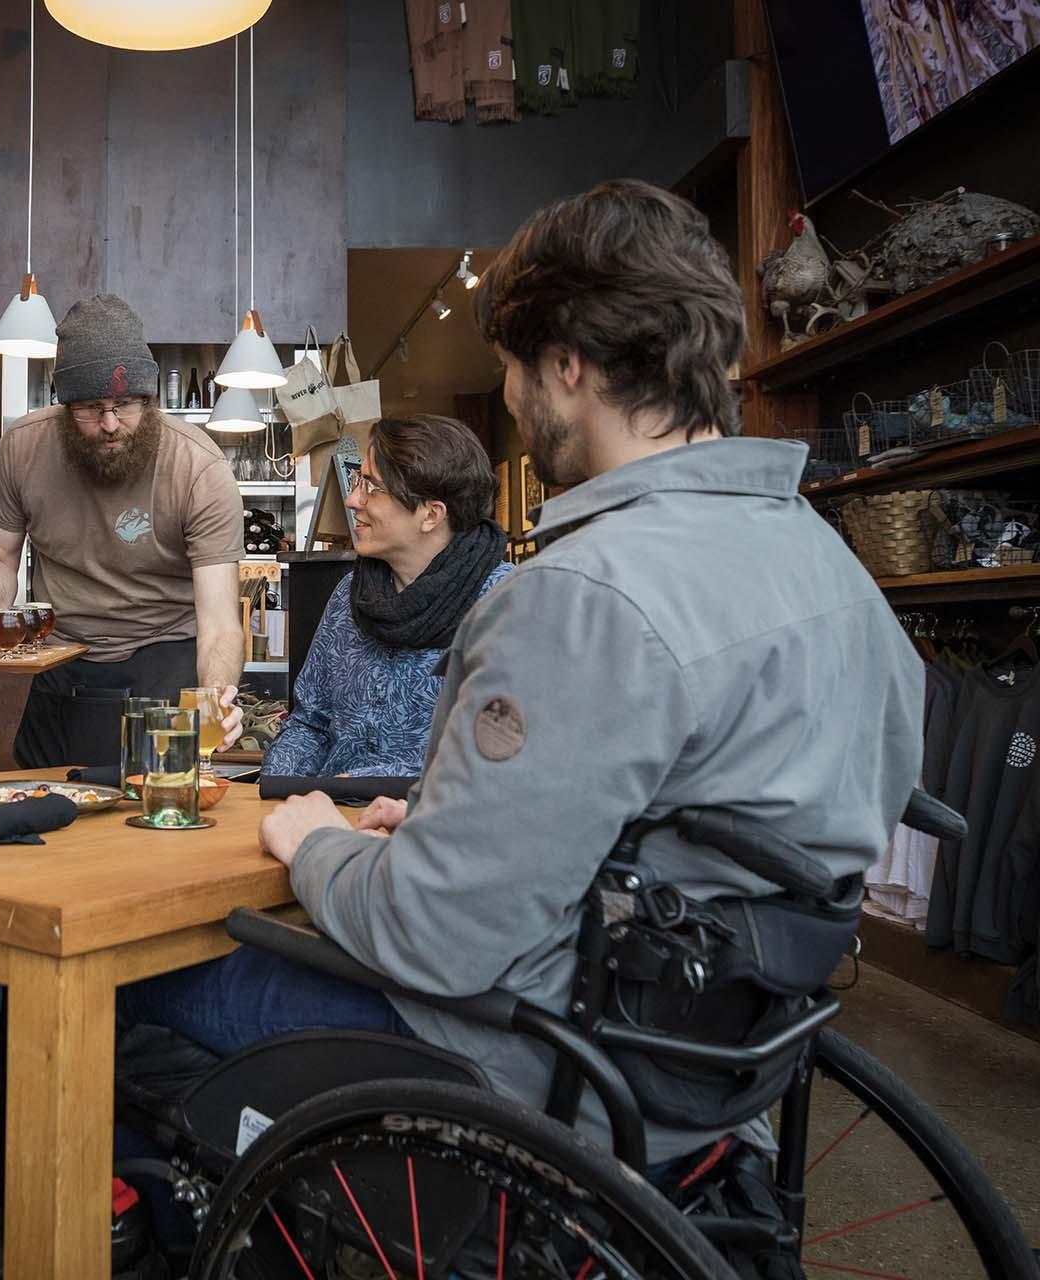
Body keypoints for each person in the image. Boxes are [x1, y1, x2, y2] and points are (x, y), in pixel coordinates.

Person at [121, 179, 923, 1168]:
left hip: (552, 1061)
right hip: (728, 1065)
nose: (508, 396)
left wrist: (318, 840)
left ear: (568, 363)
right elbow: (714, 826)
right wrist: (464, 826)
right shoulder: (836, 570)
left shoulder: (580, 593)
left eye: (509, 367)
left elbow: (435, 935)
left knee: (129, 987)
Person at [0, 294, 245, 768]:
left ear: (149, 398)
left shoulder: (198, 467)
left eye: (125, 404)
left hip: (162, 653)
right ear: (64, 404)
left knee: (154, 811)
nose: (111, 424)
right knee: (41, 808)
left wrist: (213, 698)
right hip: (59, 657)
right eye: (91, 408)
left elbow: (220, 622)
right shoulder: (21, 449)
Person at [263, 415, 511, 778]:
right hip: (333, 818)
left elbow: (503, 752)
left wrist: (365, 783)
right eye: (358, 481)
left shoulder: (504, 604)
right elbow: (310, 725)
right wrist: (276, 787)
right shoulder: (347, 596)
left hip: (436, 828)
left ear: (431, 514)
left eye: (371, 487)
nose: (351, 500)